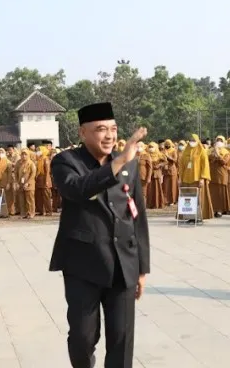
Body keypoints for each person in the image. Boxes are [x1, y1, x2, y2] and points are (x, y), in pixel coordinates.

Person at [49, 102, 150, 368]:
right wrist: (118, 162)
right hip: (83, 264)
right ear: (83, 133)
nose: (109, 136)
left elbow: (137, 215)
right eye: (101, 129)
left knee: (121, 339)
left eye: (113, 129)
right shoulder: (66, 162)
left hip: (123, 263)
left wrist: (142, 268)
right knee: (82, 338)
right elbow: (77, 190)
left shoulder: (129, 164)